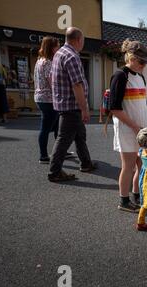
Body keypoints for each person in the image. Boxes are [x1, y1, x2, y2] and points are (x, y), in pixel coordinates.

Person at [109, 39, 147, 213]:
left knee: (142, 165)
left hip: (142, 129)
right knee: (128, 166)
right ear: (131, 58)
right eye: (142, 61)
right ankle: (124, 200)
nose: (144, 65)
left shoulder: (140, 76)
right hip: (128, 129)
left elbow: (141, 105)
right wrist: (135, 127)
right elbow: (114, 108)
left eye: (145, 62)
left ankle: (137, 195)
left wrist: (146, 127)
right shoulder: (120, 75)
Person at [48, 27, 96, 182]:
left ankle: (86, 163)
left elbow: (51, 78)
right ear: (78, 40)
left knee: (79, 136)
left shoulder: (59, 53)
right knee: (63, 139)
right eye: (83, 40)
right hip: (72, 105)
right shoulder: (72, 56)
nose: (83, 43)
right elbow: (77, 85)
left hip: (64, 103)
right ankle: (54, 172)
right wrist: (84, 109)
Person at [34, 37, 61, 164]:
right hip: (49, 99)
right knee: (46, 128)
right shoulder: (48, 63)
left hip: (40, 98)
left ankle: (60, 152)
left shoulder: (39, 61)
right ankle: (43, 156)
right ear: (51, 48)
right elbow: (53, 84)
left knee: (56, 127)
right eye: (57, 46)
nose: (59, 49)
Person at [0, 56, 9, 123]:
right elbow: (5, 77)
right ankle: (5, 118)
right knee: (3, 101)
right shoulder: (1, 67)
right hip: (1, 85)